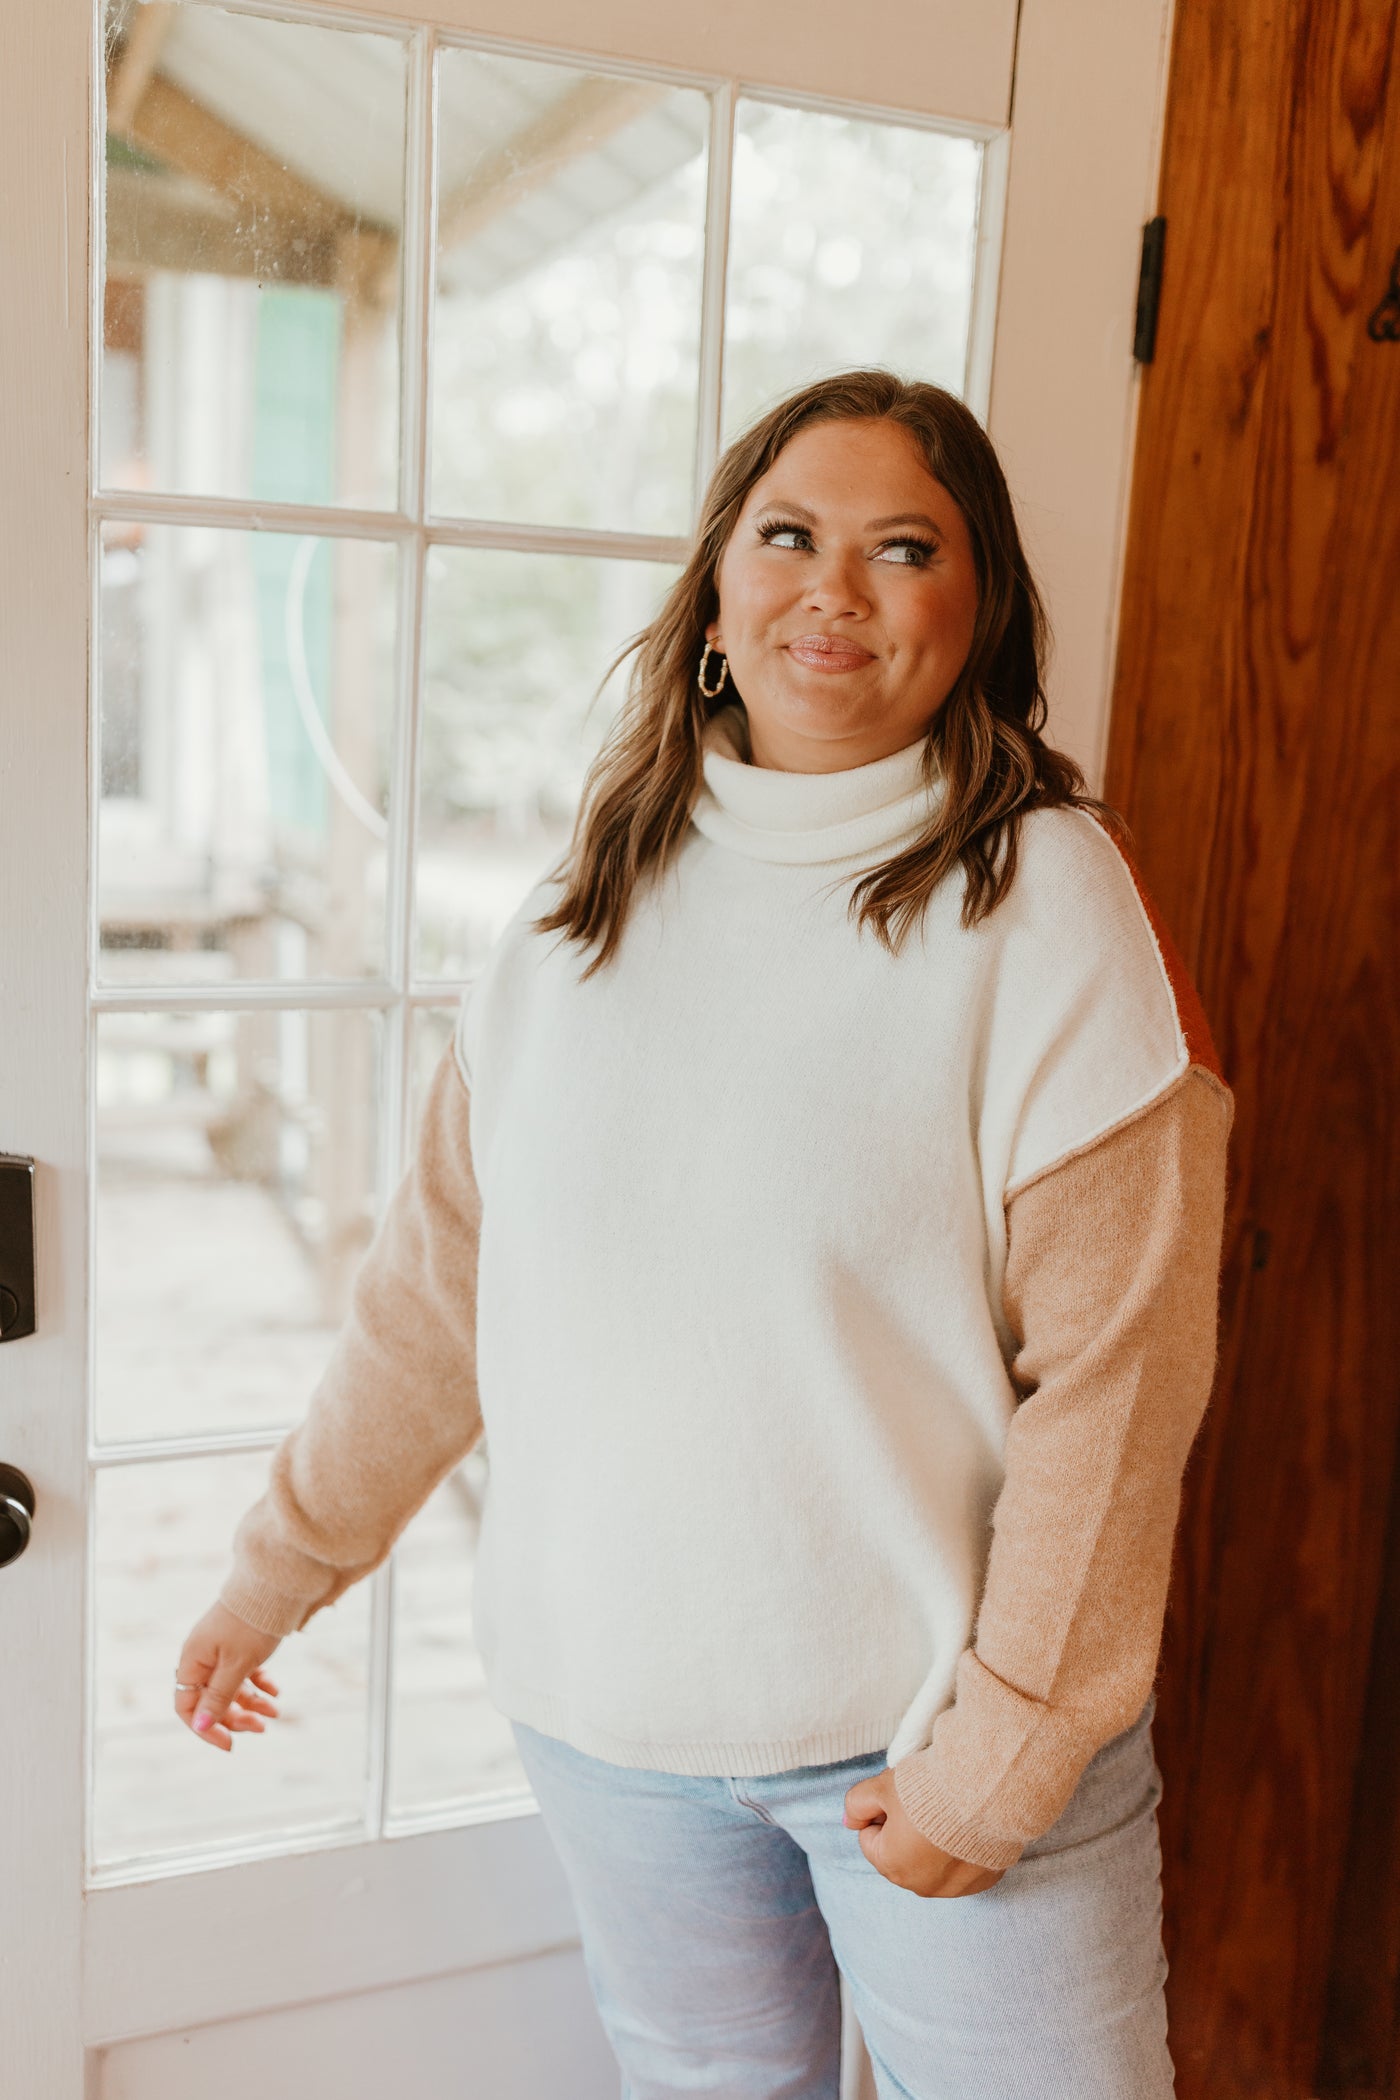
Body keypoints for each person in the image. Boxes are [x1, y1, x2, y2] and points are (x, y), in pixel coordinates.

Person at [174, 369, 1231, 2098]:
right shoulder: (566, 914)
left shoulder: (1048, 904)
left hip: (938, 1733)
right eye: (789, 534)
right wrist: (278, 1566)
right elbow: (438, 1297)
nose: (837, 584)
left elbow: (1121, 1377)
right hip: (615, 1738)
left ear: (978, 616)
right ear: (720, 597)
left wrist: (1012, 1751)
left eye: (906, 547)